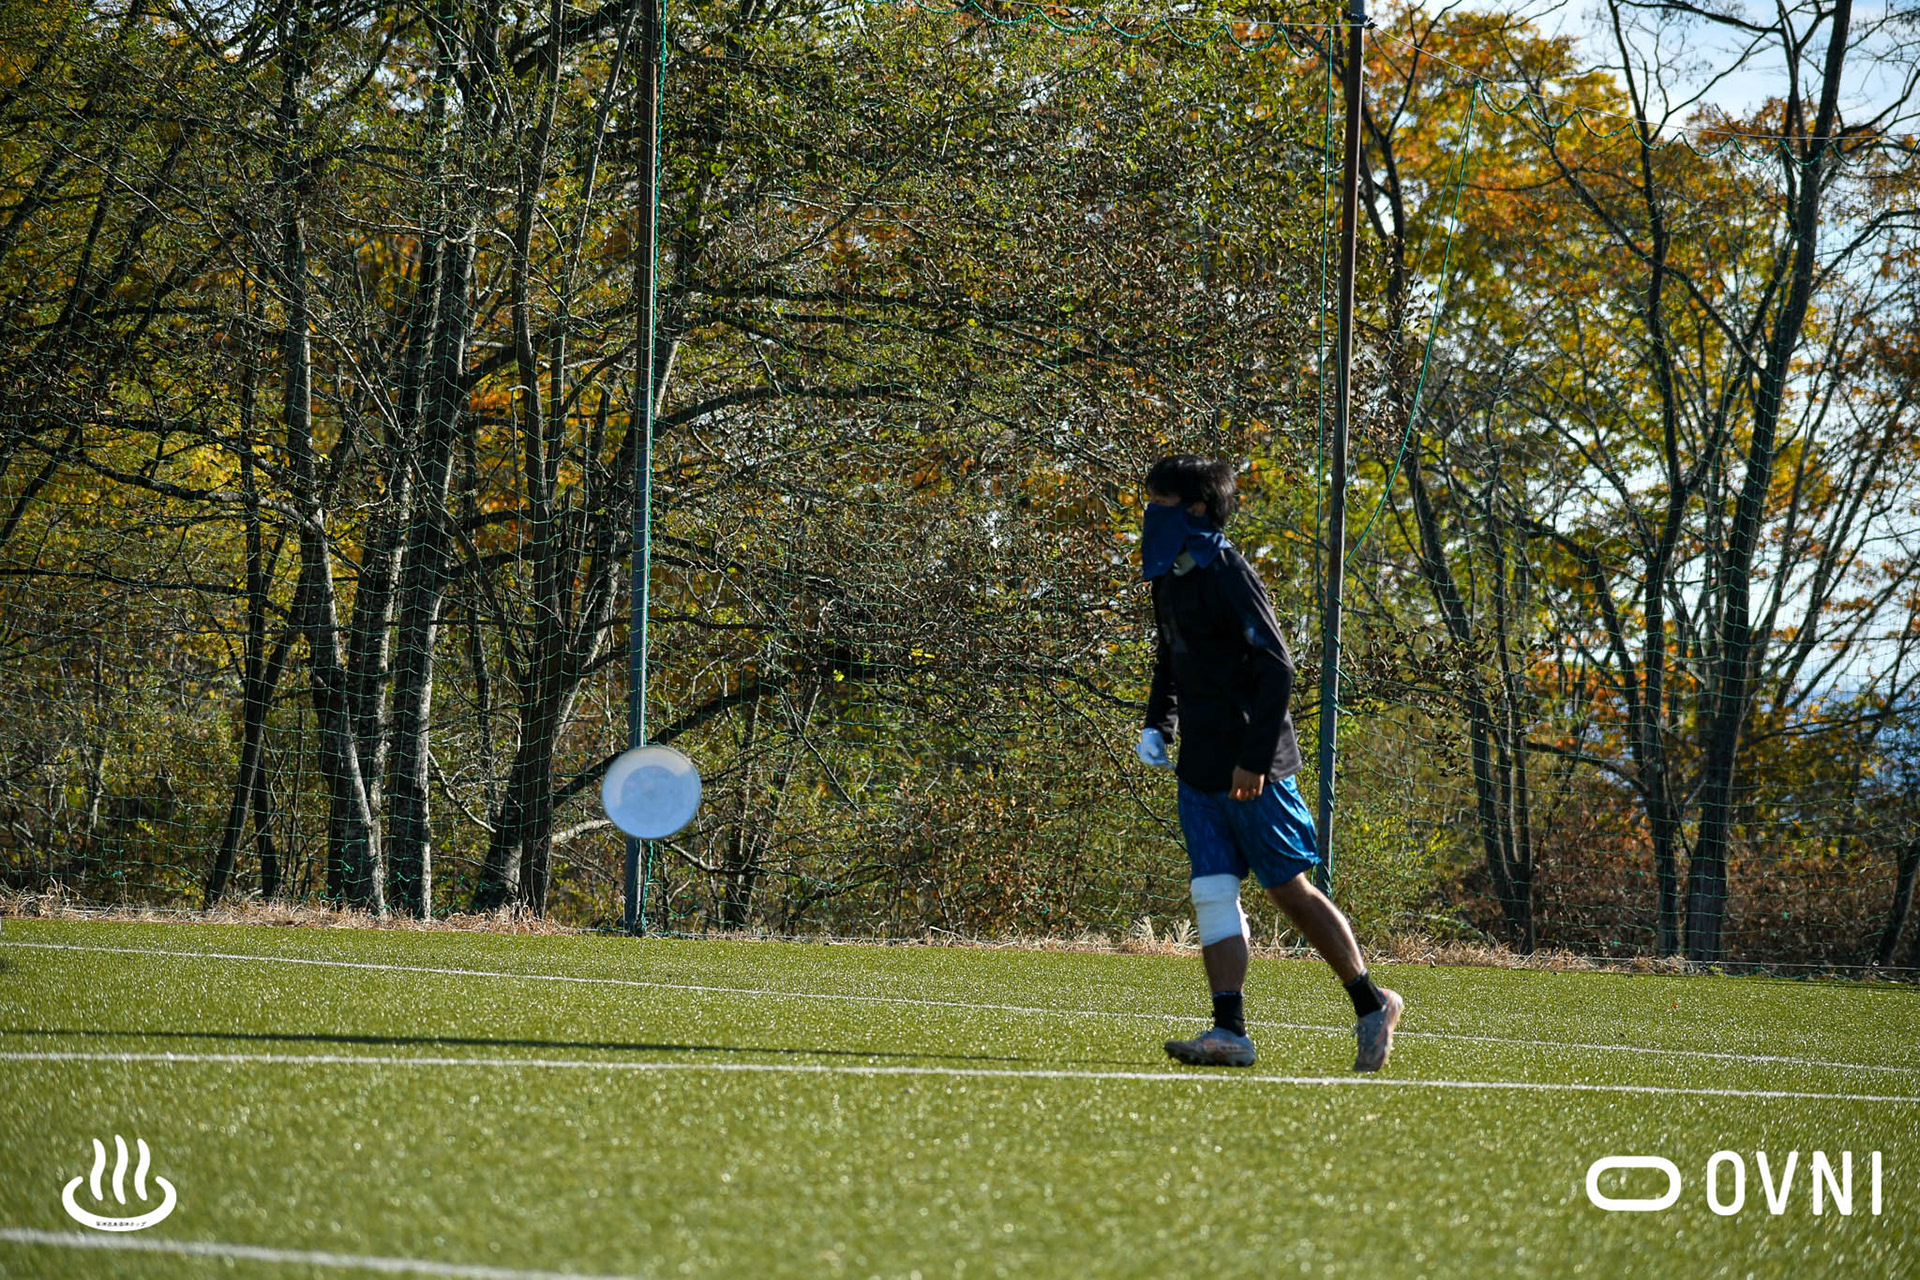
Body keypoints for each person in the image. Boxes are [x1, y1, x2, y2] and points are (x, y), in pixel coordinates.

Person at [1135, 454, 1403, 1071]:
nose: (1151, 514)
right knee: (1211, 893)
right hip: (1199, 767)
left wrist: (1254, 759)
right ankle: (1229, 1031)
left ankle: (1373, 1003)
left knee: (1288, 890)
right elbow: (1170, 657)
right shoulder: (1170, 575)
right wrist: (1158, 724)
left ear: (1196, 509)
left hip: (1254, 769)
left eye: (1161, 503)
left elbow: (1277, 667)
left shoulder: (1229, 572)